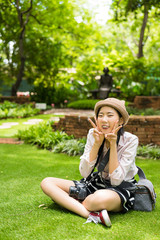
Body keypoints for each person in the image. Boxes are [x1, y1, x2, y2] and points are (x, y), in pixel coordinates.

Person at [41, 98, 139, 227]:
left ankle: (70, 202)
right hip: (96, 182)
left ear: (120, 120)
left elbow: (116, 180)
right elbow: (85, 172)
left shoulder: (130, 140)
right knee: (47, 182)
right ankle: (90, 214)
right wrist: (97, 143)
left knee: (97, 200)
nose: (104, 120)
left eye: (110, 115)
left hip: (120, 187)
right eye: (100, 115)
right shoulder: (93, 134)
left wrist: (113, 145)